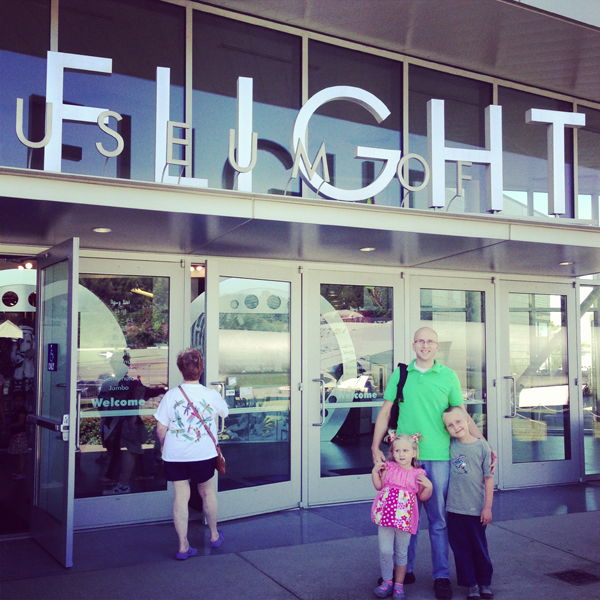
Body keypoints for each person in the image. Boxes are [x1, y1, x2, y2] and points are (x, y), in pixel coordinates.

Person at [371, 327, 496, 600]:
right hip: (406, 459)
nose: (425, 345)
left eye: (430, 341)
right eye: (420, 341)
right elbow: (386, 411)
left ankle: (441, 576)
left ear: (437, 346)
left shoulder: (448, 375)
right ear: (413, 344)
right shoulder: (401, 375)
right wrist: (374, 446)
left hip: (440, 458)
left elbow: (462, 416)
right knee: (405, 518)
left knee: (438, 520)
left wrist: (485, 445)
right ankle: (404, 571)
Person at [154, 348, 229, 559]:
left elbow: (161, 428)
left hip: (175, 455)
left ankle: (183, 545)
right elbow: (225, 413)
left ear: (181, 370)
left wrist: (163, 445)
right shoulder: (211, 395)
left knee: (181, 496)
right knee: (207, 492)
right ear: (201, 369)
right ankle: (214, 535)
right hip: (203, 453)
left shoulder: (171, 396)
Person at [371, 432, 432, 600]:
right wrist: (375, 472)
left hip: (405, 519)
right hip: (386, 516)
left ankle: (399, 584)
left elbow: (422, 497)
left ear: (414, 452)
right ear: (392, 452)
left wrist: (429, 487)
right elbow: (379, 486)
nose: (401, 454)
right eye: (397, 451)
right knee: (385, 551)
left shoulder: (418, 473)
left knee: (401, 552)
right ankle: (387, 582)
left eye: (405, 450)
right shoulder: (388, 468)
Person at [442, 406, 494, 600]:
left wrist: (487, 507)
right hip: (454, 509)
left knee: (479, 547)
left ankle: (484, 582)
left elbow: (488, 479)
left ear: (468, 420)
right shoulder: (450, 445)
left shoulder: (482, 447)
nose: (455, 427)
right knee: (461, 549)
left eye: (458, 421)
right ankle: (471, 585)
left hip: (476, 509)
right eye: (450, 425)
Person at [7, 390, 28, 480]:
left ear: (24, 401)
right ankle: (18, 470)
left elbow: (21, 422)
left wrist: (10, 426)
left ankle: (22, 472)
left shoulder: (22, 411)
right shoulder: (14, 410)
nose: (18, 403)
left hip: (20, 435)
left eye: (20, 401)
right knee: (16, 453)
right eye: (16, 401)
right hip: (15, 435)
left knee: (20, 454)